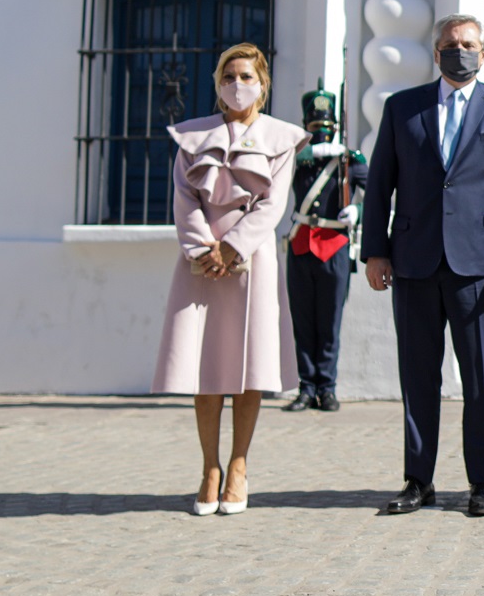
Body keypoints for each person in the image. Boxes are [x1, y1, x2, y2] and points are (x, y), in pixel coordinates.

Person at [362, 14, 484, 518]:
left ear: (482, 54)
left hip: (480, 266)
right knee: (418, 376)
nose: (458, 51)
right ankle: (418, 479)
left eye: (467, 44)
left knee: (482, 376)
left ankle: (483, 482)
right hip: (414, 260)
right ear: (435, 50)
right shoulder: (403, 108)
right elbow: (380, 184)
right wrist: (375, 250)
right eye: (449, 44)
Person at [153, 42, 309, 516]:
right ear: (217, 83)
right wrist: (204, 249)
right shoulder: (191, 137)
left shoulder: (282, 138)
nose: (237, 85)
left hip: (250, 261)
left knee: (249, 369)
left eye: (246, 76)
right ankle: (209, 469)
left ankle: (239, 465)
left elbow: (273, 204)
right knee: (205, 368)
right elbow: (183, 198)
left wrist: (233, 247)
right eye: (228, 76)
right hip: (201, 263)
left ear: (263, 84)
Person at [283, 84, 366, 413]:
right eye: (314, 127)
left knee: (329, 323)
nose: (319, 133)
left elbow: (376, 189)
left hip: (334, 246)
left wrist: (358, 210)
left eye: (325, 127)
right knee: (303, 321)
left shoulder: (348, 157)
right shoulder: (297, 157)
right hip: (301, 244)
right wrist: (303, 152)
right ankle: (306, 387)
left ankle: (327, 388)